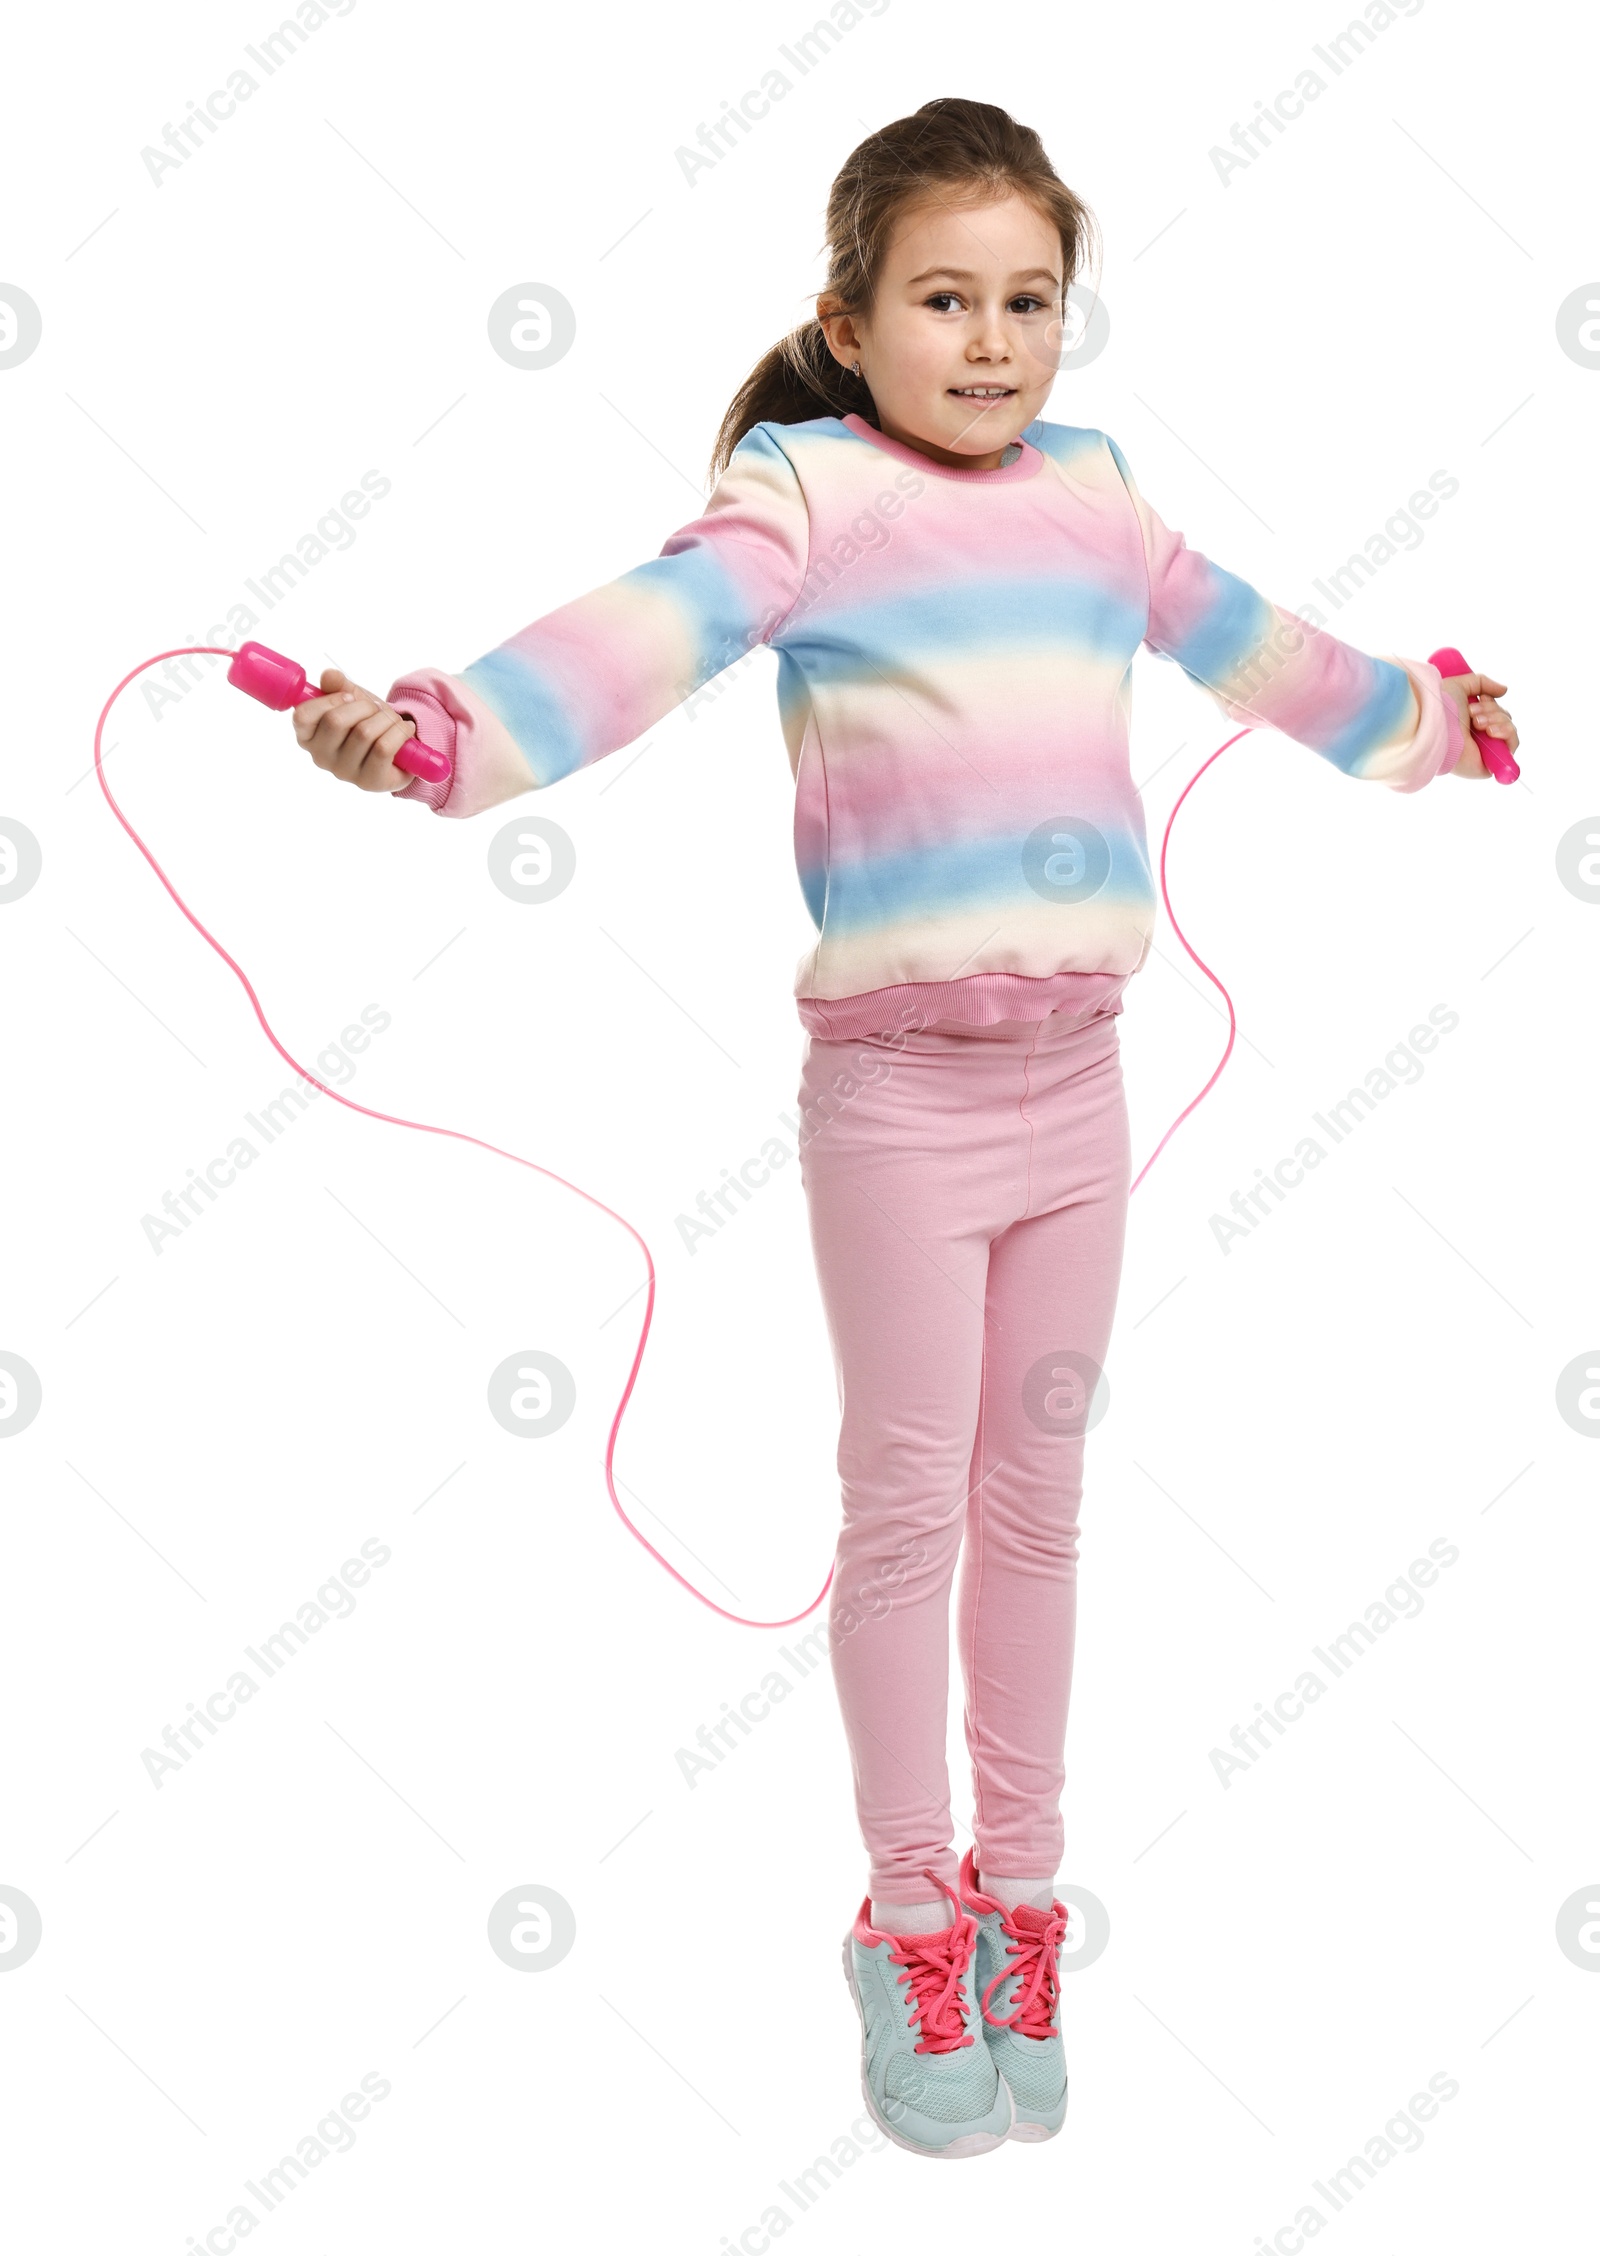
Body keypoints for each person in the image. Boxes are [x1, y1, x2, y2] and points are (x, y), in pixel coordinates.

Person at [289, 97, 1518, 2159]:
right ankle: (909, 1918)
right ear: (849, 324)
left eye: (1027, 301)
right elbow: (630, 639)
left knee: (1038, 1509)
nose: (990, 340)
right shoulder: (806, 498)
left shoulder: (1098, 499)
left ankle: (1026, 1908)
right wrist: (442, 735)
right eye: (942, 300)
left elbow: (1261, 648)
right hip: (900, 1108)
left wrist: (1418, 721)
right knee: (909, 1511)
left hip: (1075, 1094)